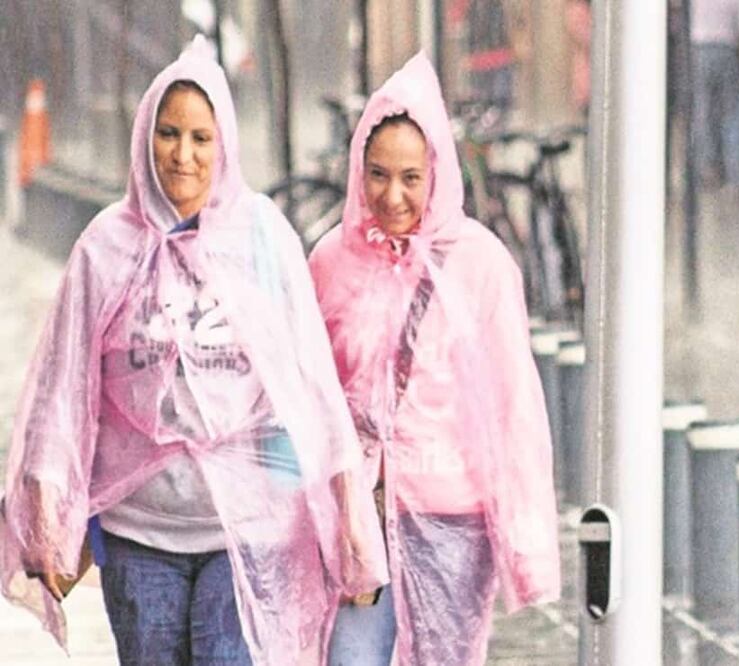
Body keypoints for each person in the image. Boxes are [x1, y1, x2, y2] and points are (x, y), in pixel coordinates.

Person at [0, 36, 387, 665]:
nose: (182, 155)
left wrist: (346, 512)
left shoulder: (261, 238)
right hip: (138, 534)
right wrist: (45, 502)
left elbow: (309, 382)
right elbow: (63, 389)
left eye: (201, 138)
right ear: (145, 139)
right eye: (169, 134)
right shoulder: (106, 247)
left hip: (247, 527)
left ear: (224, 145)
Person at [311, 53, 561, 665]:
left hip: (452, 521)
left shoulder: (481, 265)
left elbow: (515, 411)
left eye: (410, 178)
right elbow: (307, 397)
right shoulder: (330, 262)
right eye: (377, 175)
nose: (391, 196)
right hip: (359, 518)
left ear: (438, 174)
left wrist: (528, 551)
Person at [689, 0, 739, 193]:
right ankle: (735, 174)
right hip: (727, 49)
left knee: (703, 112)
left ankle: (707, 169)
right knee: (732, 114)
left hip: (699, 48)